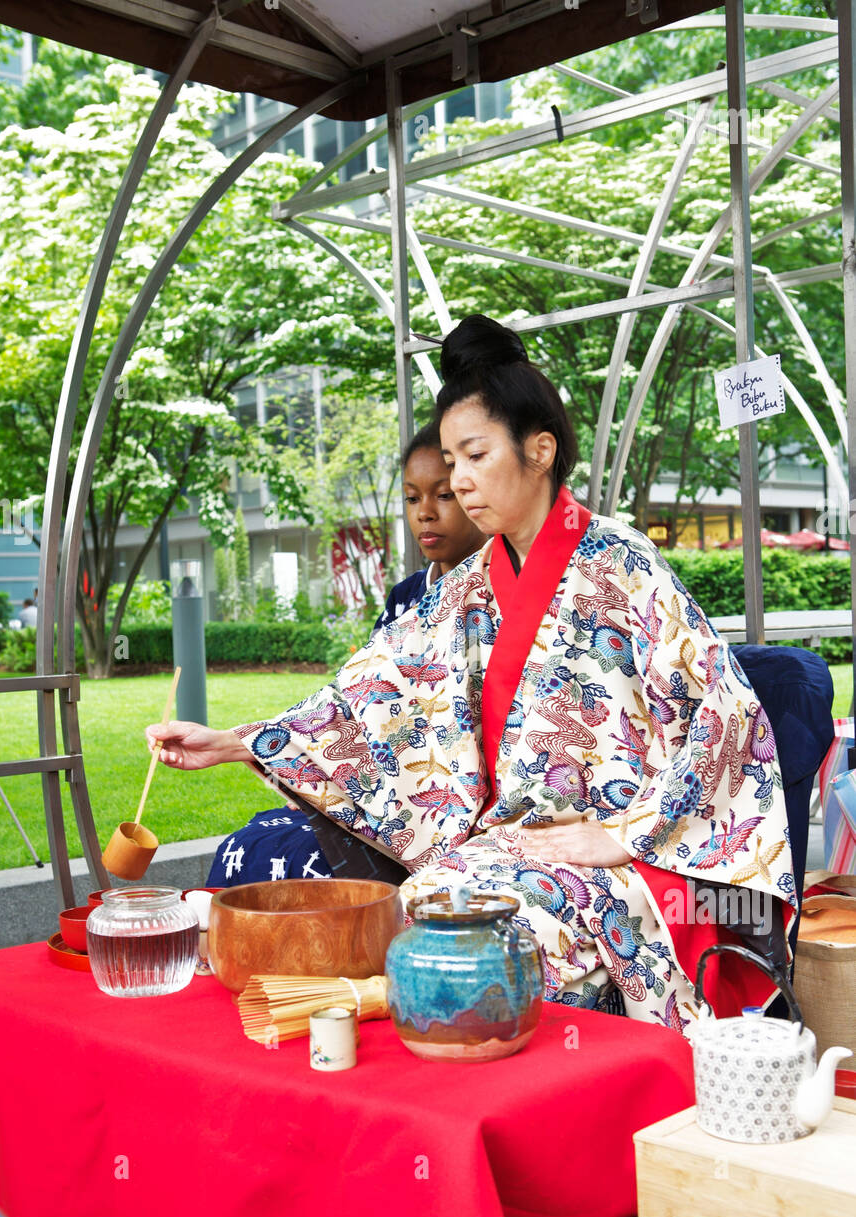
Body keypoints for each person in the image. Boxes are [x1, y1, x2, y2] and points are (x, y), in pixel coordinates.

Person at [148, 316, 795, 1036]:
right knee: (424, 914)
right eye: (451, 460)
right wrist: (239, 741)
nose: (457, 481)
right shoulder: (468, 587)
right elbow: (372, 694)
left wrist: (630, 834)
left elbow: (727, 713)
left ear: (539, 450)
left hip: (621, 857)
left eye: (475, 456)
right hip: (504, 845)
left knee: (470, 938)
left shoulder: (624, 563)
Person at [204, 420, 484, 886]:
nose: (426, 514)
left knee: (318, 872)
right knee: (248, 845)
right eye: (413, 499)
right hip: (383, 781)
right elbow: (362, 701)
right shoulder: (406, 596)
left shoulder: (501, 593)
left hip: (452, 798)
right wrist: (289, 757)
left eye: (445, 495)